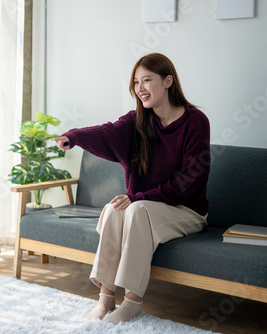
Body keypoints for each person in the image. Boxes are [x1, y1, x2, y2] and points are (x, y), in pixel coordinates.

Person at [54, 53, 210, 324]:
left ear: (168, 81)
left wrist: (139, 197)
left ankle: (133, 300)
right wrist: (74, 136)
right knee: (115, 209)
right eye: (136, 82)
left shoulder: (195, 122)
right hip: (146, 205)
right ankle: (105, 297)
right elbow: (107, 132)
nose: (140, 88)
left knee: (135, 209)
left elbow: (189, 182)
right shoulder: (138, 120)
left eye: (147, 80)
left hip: (186, 210)